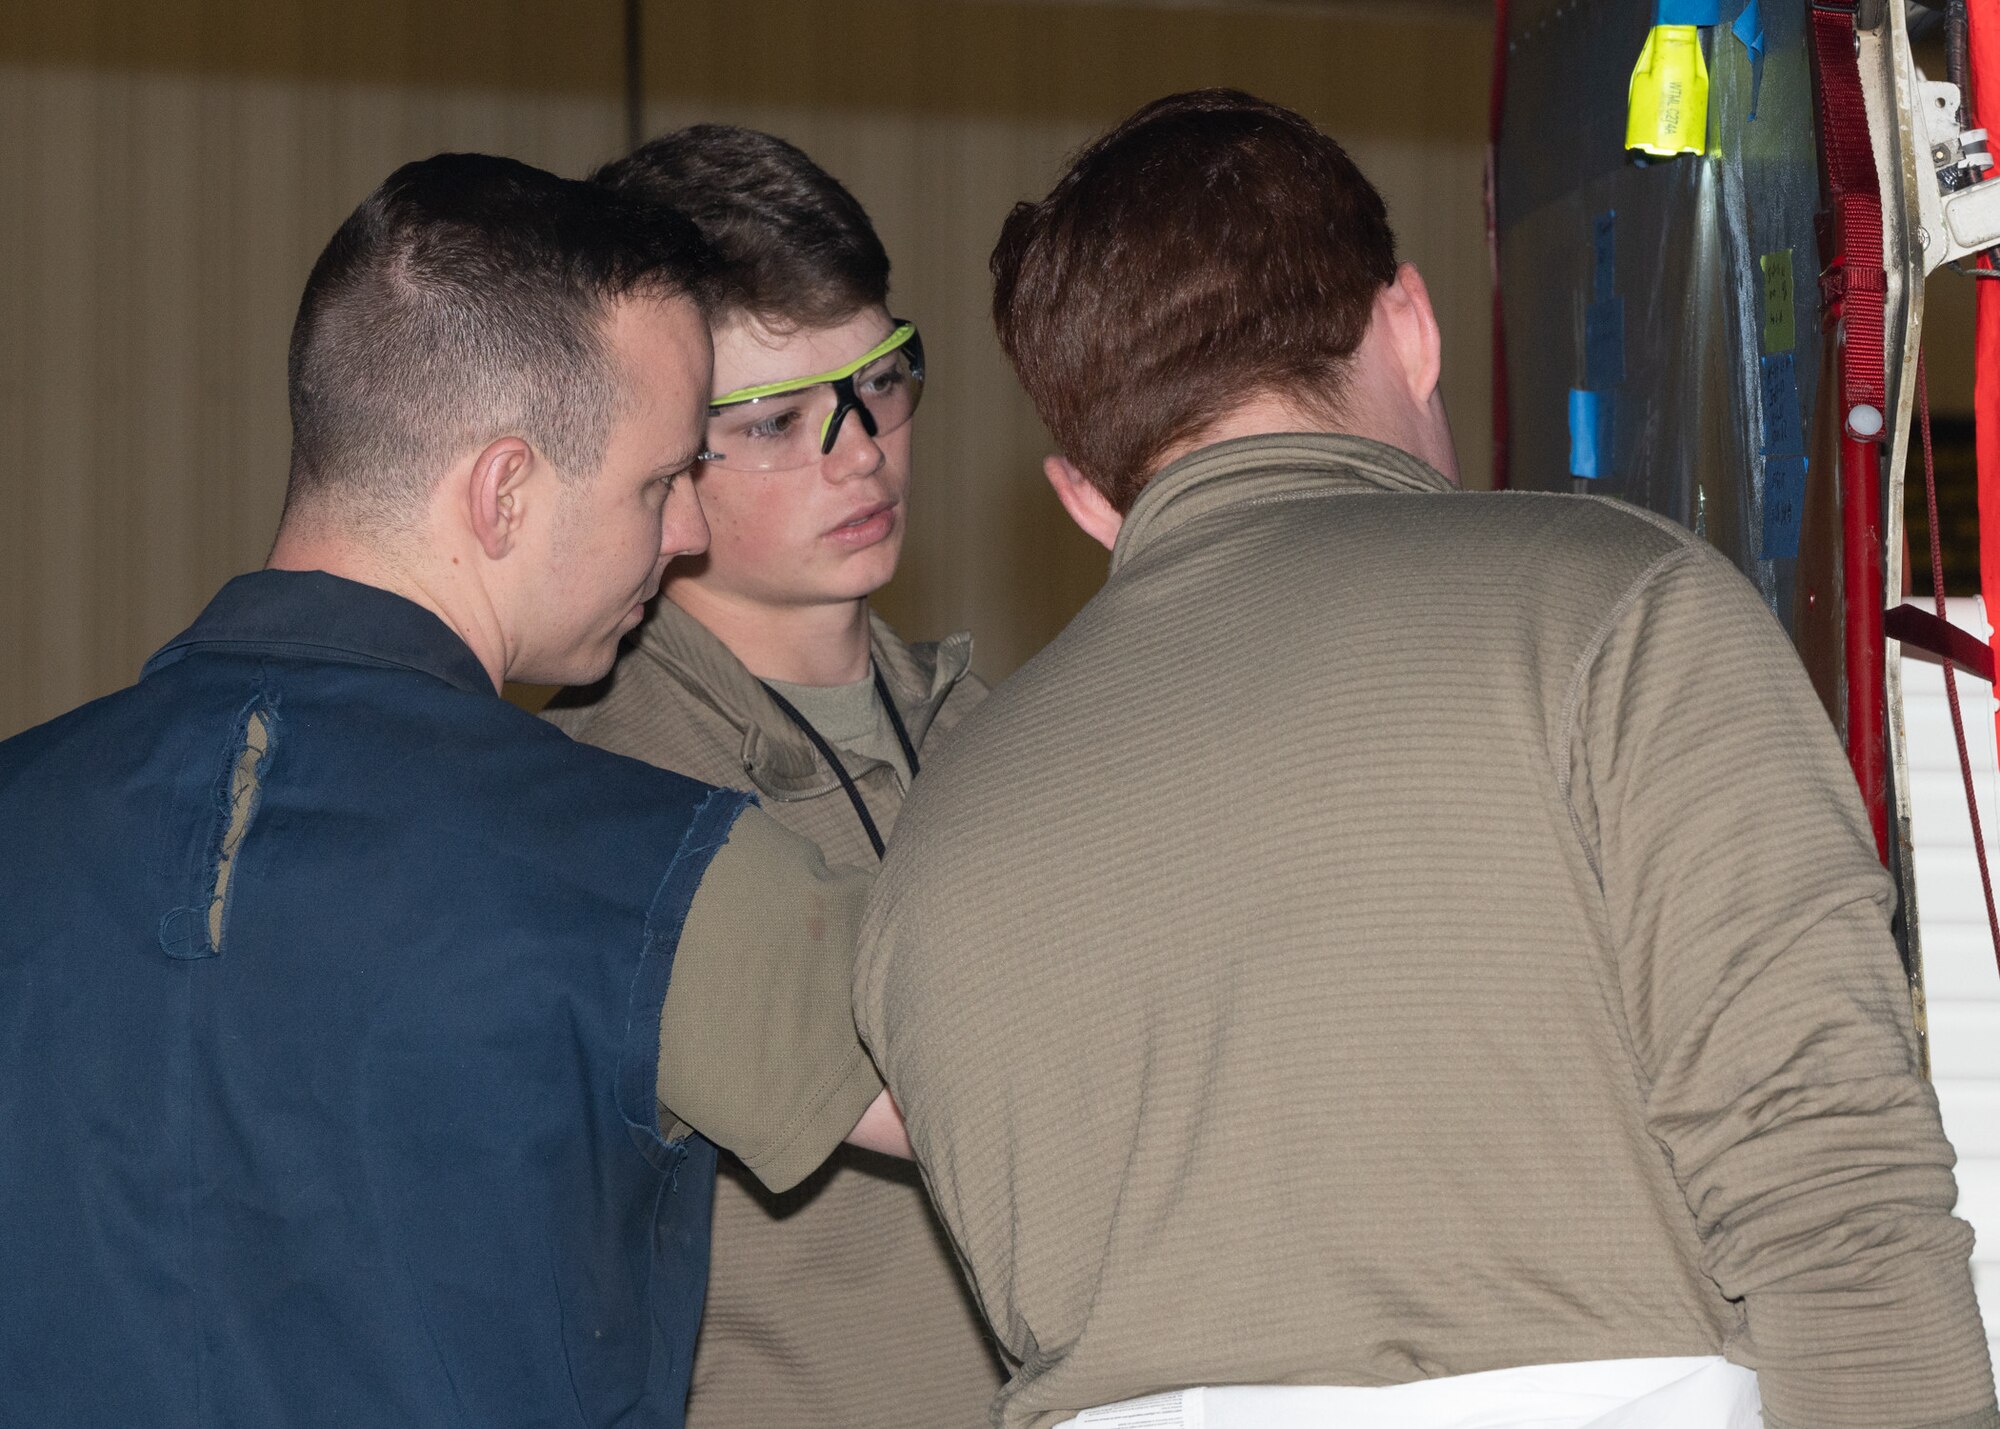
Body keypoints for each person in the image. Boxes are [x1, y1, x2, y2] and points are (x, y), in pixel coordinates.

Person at [854, 90, 2000, 1429]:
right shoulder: (1621, 617)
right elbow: (1835, 1200)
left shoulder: (944, 828)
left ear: (1087, 497)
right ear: (1410, 323)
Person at [0, 152, 906, 1429]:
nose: (685, 534)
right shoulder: (646, 867)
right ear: (503, 491)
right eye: (658, 483)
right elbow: (1047, 1091)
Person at [545, 125, 1002, 1429]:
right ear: (655, 450)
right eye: (782, 419)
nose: (859, 450)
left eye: (883, 378)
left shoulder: (1007, 737)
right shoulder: (600, 788)